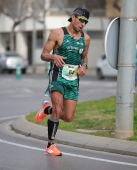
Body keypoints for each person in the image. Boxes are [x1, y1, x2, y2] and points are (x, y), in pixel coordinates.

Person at [35, 7, 90, 156]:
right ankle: (50, 145)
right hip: (57, 75)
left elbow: (84, 57)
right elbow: (44, 54)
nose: (83, 24)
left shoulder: (86, 39)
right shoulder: (57, 33)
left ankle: (46, 109)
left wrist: (84, 66)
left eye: (86, 21)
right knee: (58, 109)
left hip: (73, 80)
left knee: (68, 117)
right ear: (73, 17)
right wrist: (54, 57)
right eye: (81, 20)